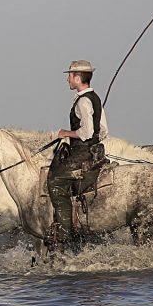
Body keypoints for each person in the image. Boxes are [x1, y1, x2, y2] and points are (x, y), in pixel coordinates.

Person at [47, 60, 109, 252]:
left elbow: (88, 132)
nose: (67, 79)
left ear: (77, 77)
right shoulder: (94, 98)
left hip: (82, 156)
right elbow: (103, 131)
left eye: (70, 76)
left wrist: (66, 133)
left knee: (55, 180)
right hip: (93, 152)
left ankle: (64, 232)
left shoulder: (83, 100)